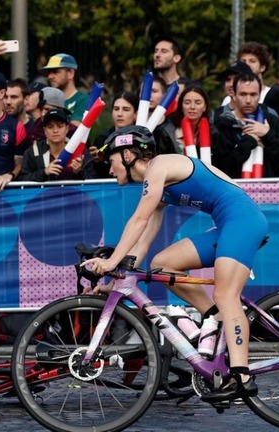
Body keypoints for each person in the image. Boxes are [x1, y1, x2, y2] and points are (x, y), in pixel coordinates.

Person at [82, 124, 267, 402]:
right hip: (229, 224)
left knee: (226, 294)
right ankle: (215, 318)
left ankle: (241, 376)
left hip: (244, 222)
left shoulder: (159, 167)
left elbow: (138, 220)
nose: (110, 170)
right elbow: (143, 240)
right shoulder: (160, 185)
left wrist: (110, 261)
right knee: (163, 262)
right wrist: (116, 281)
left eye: (112, 161)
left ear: (129, 155)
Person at [212, 72, 279, 178]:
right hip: (234, 189)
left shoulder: (273, 121)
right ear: (233, 95)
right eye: (243, 94)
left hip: (268, 190)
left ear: (260, 94)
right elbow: (221, 168)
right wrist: (248, 141)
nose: (248, 100)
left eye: (253, 94)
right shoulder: (222, 125)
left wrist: (267, 135)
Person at [19, 108, 86, 181]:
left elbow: (94, 179)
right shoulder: (33, 152)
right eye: (50, 127)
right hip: (44, 193)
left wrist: (79, 172)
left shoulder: (79, 150)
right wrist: (44, 172)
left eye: (60, 126)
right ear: (45, 131)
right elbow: (22, 179)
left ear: (67, 129)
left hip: (75, 192)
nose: (55, 130)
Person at [88, 92, 140, 179]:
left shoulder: (143, 138)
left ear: (136, 114)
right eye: (116, 109)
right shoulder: (102, 138)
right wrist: (97, 161)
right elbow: (95, 174)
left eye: (126, 109)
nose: (119, 114)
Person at [40, 53, 88, 125]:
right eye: (49, 72)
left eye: (55, 71)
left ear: (70, 73)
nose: (50, 76)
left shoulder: (83, 100)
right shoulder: (46, 98)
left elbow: (75, 130)